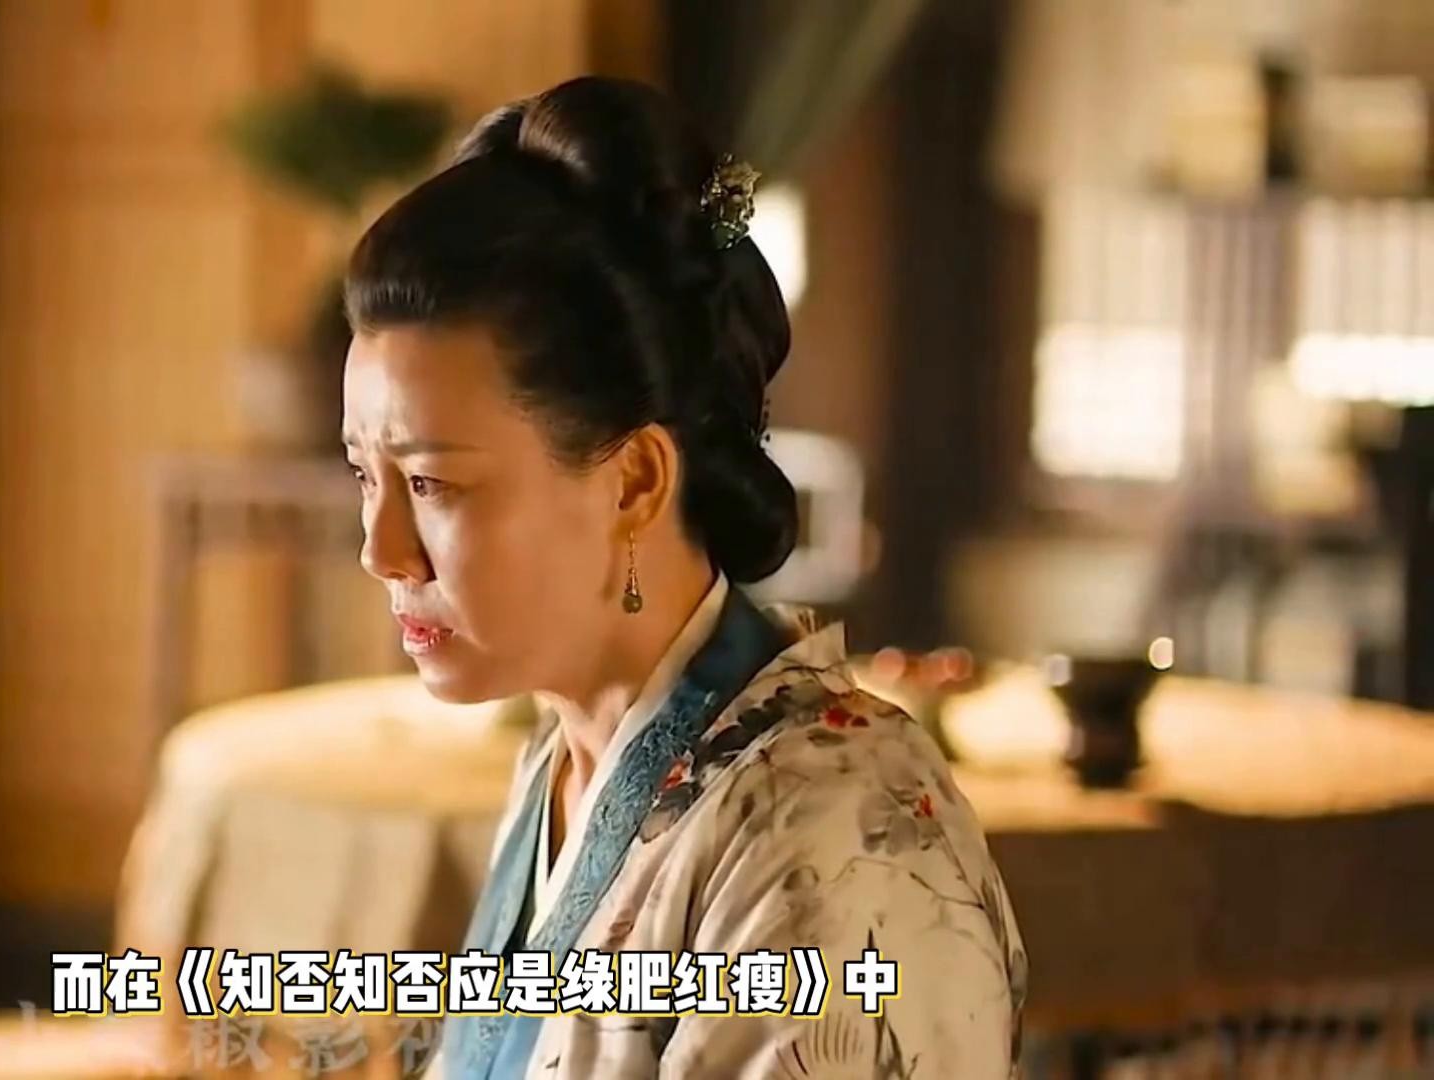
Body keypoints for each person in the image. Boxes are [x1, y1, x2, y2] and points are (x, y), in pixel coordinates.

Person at [339, 75, 1026, 1079]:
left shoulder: (834, 837)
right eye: (366, 475)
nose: (382, 549)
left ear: (635, 481)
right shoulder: (565, 764)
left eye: (433, 483)